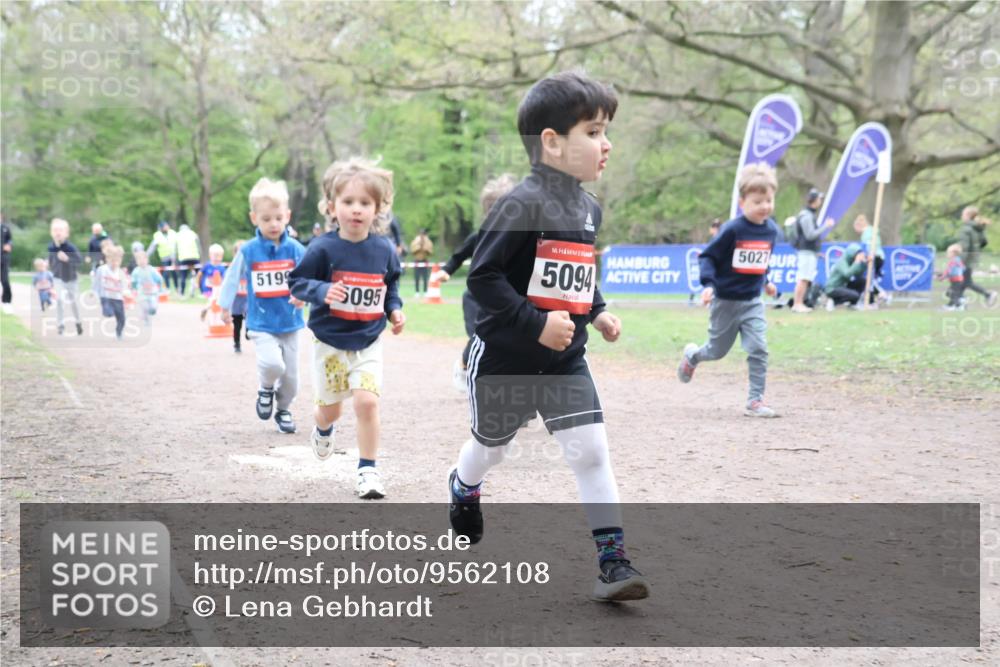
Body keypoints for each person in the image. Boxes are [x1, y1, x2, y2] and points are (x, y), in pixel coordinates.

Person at [446, 71, 647, 603]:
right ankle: (463, 487)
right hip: (506, 359)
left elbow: (576, 271)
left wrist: (597, 311)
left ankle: (613, 562)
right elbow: (483, 277)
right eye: (594, 132)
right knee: (491, 449)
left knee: (591, 454)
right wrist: (535, 323)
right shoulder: (520, 203)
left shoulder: (589, 208)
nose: (606, 144)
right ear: (553, 142)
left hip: (565, 362)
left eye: (606, 132)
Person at [290, 158, 404, 499]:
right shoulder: (323, 248)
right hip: (330, 343)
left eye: (365, 203)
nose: (356, 210)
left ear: (378, 208)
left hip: (368, 341)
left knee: (367, 403)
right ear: (331, 206)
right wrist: (322, 291)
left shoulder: (383, 249)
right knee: (332, 409)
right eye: (348, 202)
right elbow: (297, 283)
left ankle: (367, 470)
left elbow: (391, 285)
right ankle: (323, 427)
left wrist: (395, 310)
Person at [677, 162, 780, 417]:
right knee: (716, 351)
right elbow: (708, 257)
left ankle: (755, 401)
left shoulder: (772, 231)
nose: (764, 206)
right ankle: (693, 355)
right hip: (725, 302)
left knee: (759, 348)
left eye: (768, 200)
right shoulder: (732, 230)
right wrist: (709, 285)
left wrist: (766, 281)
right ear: (743, 202)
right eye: (758, 201)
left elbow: (760, 260)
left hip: (753, 302)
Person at [218, 178, 306, 434]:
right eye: (266, 219)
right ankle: (265, 388)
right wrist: (224, 306)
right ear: (254, 218)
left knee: (291, 380)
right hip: (261, 322)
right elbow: (232, 277)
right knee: (272, 365)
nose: (274, 224)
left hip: (290, 322)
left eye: (279, 218)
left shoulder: (296, 250)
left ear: (287, 216)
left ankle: (283, 409)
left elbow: (310, 276)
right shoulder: (249, 250)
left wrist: (304, 295)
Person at [433, 174, 518, 391]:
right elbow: (459, 255)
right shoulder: (482, 234)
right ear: (488, 212)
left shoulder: (521, 238)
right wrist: (446, 271)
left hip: (506, 298)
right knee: (480, 336)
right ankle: (463, 365)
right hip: (476, 298)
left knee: (507, 341)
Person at [791, 188, 834, 313]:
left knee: (806, 278)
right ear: (814, 200)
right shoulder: (806, 216)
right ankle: (797, 303)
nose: (820, 201)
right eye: (819, 199)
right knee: (803, 278)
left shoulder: (808, 215)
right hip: (805, 253)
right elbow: (810, 235)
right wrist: (825, 226)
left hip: (809, 252)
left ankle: (799, 303)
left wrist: (817, 253)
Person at [48, 218, 84, 336]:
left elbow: (79, 260)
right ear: (51, 232)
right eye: (55, 230)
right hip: (58, 278)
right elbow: (51, 261)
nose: (58, 232)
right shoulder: (51, 247)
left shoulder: (70, 248)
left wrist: (68, 259)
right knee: (59, 300)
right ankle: (60, 325)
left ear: (67, 233)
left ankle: (78, 322)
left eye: (61, 230)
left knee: (74, 302)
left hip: (71, 279)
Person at [958, 206, 998, 306]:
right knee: (962, 282)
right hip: (973, 259)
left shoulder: (966, 229)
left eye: (963, 214)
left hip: (965, 260)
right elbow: (984, 242)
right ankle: (957, 302)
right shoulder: (978, 228)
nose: (961, 216)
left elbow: (965, 247)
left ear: (968, 216)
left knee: (965, 282)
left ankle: (988, 294)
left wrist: (960, 261)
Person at [94, 245, 127, 340]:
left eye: (117, 261)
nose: (115, 263)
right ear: (107, 259)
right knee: (109, 312)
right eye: (112, 260)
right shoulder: (102, 269)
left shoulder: (121, 272)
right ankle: (107, 311)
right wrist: (94, 293)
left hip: (118, 298)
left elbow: (124, 286)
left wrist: (126, 293)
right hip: (106, 297)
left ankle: (119, 332)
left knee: (122, 319)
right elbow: (96, 282)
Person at [823, 243, 867, 310]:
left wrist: (864, 263)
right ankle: (834, 301)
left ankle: (853, 304)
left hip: (843, 286)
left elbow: (858, 273)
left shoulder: (851, 262)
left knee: (862, 281)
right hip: (833, 288)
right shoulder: (842, 262)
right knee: (855, 295)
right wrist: (857, 262)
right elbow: (847, 274)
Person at [690, 218, 722, 306]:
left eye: (718, 227)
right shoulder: (714, 240)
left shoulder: (723, 239)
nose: (716, 229)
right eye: (714, 227)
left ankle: (708, 301)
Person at [130, 250, 165, 325]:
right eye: (139, 259)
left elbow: (159, 279)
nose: (141, 261)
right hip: (142, 294)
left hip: (152, 293)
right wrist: (133, 288)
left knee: (153, 308)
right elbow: (133, 281)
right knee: (144, 307)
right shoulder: (136, 271)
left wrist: (161, 288)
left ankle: (150, 312)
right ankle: (146, 320)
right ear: (136, 261)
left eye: (143, 259)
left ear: (147, 260)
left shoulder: (152, 270)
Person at [230, 240, 249, 353]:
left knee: (250, 316)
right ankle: (237, 344)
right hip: (237, 301)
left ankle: (249, 331)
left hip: (248, 300)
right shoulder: (233, 268)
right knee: (237, 324)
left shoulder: (251, 267)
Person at [148, 221, 178, 293]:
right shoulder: (157, 235)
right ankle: (167, 288)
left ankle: (177, 288)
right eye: (165, 226)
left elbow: (176, 244)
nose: (167, 227)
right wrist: (146, 255)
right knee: (166, 273)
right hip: (164, 258)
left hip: (173, 257)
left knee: (174, 273)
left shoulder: (173, 233)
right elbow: (152, 247)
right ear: (161, 227)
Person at [175, 224, 202, 297]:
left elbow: (175, 249)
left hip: (183, 258)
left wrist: (175, 260)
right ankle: (203, 292)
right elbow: (198, 246)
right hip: (194, 257)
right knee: (199, 275)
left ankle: (182, 294)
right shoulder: (193, 233)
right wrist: (200, 256)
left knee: (183, 276)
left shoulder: (178, 235)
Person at [939, 243, 966, 311]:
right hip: (958, 280)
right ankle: (958, 301)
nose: (947, 254)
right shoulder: (958, 260)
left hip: (956, 280)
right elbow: (963, 268)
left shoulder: (953, 261)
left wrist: (942, 277)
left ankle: (958, 305)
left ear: (953, 253)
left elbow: (948, 271)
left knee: (952, 293)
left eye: (948, 252)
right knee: (950, 293)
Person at [409, 228, 434, 297]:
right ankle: (417, 292)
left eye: (423, 234)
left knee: (425, 277)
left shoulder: (428, 242)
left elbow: (431, 252)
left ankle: (425, 291)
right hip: (417, 261)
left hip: (425, 260)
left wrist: (426, 248)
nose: (422, 236)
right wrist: (419, 246)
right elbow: (412, 251)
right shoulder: (415, 241)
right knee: (416, 277)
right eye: (421, 234)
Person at [1, 214, 12, 314]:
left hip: (3, 258)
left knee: (5, 280)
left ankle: (6, 302)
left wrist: (9, 245)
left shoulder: (5, 228)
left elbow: (10, 239)